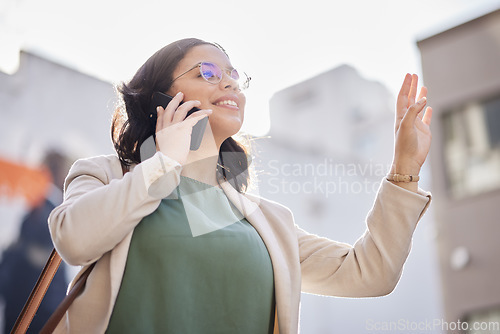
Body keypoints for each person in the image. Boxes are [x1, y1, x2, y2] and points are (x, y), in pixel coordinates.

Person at [48, 38, 432, 333]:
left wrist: (404, 171)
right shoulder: (104, 176)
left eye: (234, 75)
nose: (230, 83)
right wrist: (163, 163)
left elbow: (371, 272)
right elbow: (75, 241)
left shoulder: (267, 224)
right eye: (209, 73)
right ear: (161, 99)